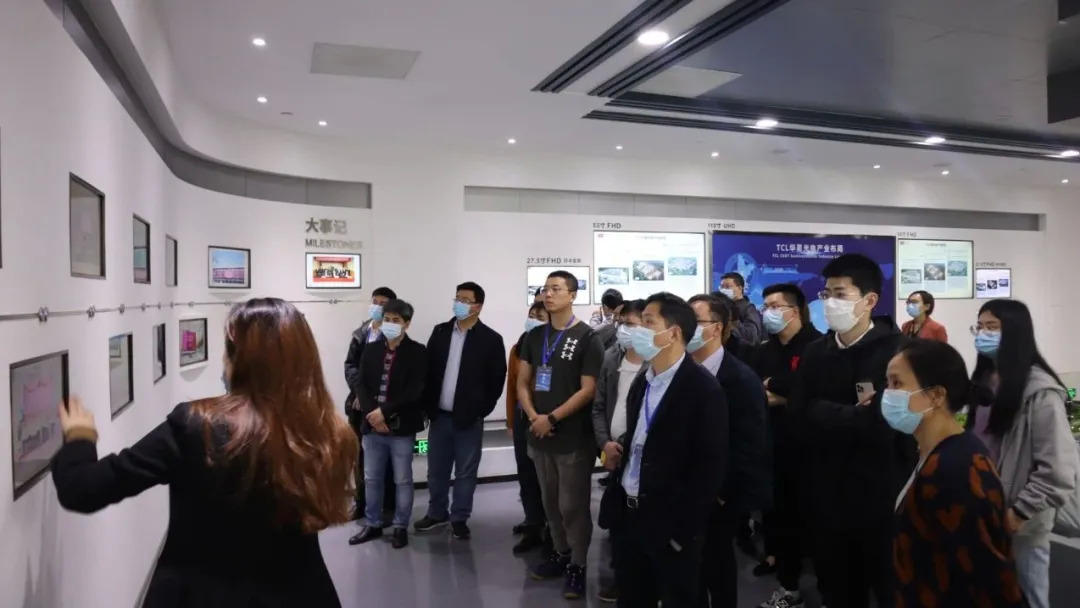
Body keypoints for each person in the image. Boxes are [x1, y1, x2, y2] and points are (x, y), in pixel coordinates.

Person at [51, 298, 357, 607]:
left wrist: (80, 437)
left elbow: (83, 489)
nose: (223, 360)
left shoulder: (198, 426)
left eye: (228, 350)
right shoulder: (330, 433)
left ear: (242, 359)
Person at [790, 253, 916, 608]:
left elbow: (889, 422)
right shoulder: (816, 352)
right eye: (826, 293)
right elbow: (799, 414)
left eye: (841, 294)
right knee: (838, 588)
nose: (830, 302)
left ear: (869, 300)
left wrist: (825, 412)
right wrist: (853, 415)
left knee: (890, 587)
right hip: (827, 492)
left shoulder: (899, 352)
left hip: (882, 492)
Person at [598, 292, 728, 607]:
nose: (638, 331)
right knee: (632, 597)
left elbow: (708, 470)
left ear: (673, 333)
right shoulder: (644, 380)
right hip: (629, 516)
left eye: (648, 323)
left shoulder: (702, 390)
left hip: (670, 525)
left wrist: (681, 534)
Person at [886, 339, 1026, 607]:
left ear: (937, 395)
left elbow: (987, 579)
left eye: (897, 383)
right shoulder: (932, 453)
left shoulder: (955, 471)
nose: (888, 394)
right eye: (888, 383)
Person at [965, 299, 1077, 608]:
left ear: (1015, 332)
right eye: (979, 327)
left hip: (1020, 521)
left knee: (1028, 596)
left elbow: (1057, 469)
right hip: (985, 510)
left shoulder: (1040, 392)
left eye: (992, 327)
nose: (982, 334)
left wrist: (1020, 513)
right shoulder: (985, 381)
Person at [517, 270, 605, 599]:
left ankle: (578, 564)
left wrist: (552, 417)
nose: (549, 294)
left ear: (573, 295)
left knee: (572, 506)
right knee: (550, 503)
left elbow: (588, 389)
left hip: (572, 438)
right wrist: (534, 417)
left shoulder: (587, 337)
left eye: (556, 289)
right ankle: (561, 552)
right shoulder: (534, 336)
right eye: (546, 289)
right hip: (539, 434)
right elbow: (522, 382)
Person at [687, 294, 770, 608]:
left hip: (719, 495)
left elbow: (749, 443)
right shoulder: (681, 370)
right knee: (688, 569)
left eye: (695, 321)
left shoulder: (740, 379)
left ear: (716, 328)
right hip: (683, 487)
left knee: (717, 565)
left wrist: (723, 492)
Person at [748, 284, 822, 608]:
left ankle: (816, 588)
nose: (768, 312)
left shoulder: (817, 346)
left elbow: (811, 390)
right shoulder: (764, 350)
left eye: (774, 306)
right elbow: (754, 387)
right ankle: (785, 580)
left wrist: (780, 391)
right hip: (770, 446)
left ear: (794, 310)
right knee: (776, 517)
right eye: (765, 306)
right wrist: (781, 392)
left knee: (808, 520)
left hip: (808, 449)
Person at [416, 282, 507, 539]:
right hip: (439, 417)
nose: (459, 303)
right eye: (457, 298)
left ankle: (459, 517)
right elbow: (428, 371)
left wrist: (481, 410)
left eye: (465, 300)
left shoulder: (491, 339)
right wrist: (427, 407)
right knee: (436, 470)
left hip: (469, 419)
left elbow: (496, 380)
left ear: (478, 306)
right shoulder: (441, 332)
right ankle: (436, 513)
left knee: (466, 472)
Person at [348, 299, 427, 549]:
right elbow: (361, 384)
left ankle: (400, 526)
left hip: (401, 427)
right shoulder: (371, 349)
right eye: (387, 319)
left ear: (407, 324)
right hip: (372, 426)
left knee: (402, 479)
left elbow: (414, 389)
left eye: (396, 320)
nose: (390, 324)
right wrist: (373, 414)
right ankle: (372, 523)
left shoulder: (417, 351)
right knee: (371, 478)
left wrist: (384, 412)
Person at [590, 298, 646, 603]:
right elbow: (598, 407)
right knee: (616, 520)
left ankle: (643, 582)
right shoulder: (612, 358)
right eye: (621, 323)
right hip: (611, 452)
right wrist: (605, 445)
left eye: (631, 324)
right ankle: (620, 577)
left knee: (641, 524)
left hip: (640, 454)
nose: (623, 329)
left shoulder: (656, 363)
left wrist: (622, 443)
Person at [344, 286, 398, 520]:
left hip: (384, 409)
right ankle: (361, 503)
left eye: (382, 303)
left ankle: (388, 507)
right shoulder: (361, 333)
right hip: (358, 407)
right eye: (374, 301)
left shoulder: (394, 335)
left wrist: (371, 400)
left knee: (388, 461)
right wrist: (360, 393)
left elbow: (391, 374)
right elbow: (350, 366)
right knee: (360, 458)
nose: (377, 306)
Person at [506, 302, 550, 553]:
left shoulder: (553, 348)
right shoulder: (518, 347)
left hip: (546, 418)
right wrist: (511, 421)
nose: (533, 320)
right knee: (526, 473)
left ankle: (552, 527)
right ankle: (533, 522)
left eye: (539, 317)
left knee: (546, 475)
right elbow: (513, 388)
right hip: (524, 416)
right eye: (531, 315)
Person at [719, 272, 764, 346]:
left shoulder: (748, 308)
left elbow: (752, 337)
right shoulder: (722, 306)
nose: (723, 290)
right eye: (722, 287)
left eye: (727, 287)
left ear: (740, 288)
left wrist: (734, 321)